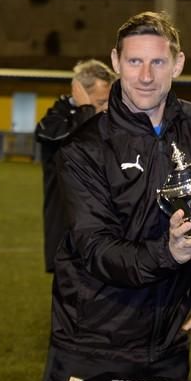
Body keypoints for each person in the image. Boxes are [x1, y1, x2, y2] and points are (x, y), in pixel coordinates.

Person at [39, 11, 191, 381]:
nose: (146, 76)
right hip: (93, 340)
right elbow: (95, 248)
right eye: (134, 61)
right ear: (116, 62)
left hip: (168, 341)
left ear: (177, 64)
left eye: (158, 62)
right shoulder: (83, 147)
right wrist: (170, 251)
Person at [35, 59, 117, 273]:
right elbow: (69, 139)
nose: (105, 109)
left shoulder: (110, 119)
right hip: (68, 231)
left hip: (104, 231)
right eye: (100, 102)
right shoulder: (55, 121)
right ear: (79, 92)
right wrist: (87, 110)